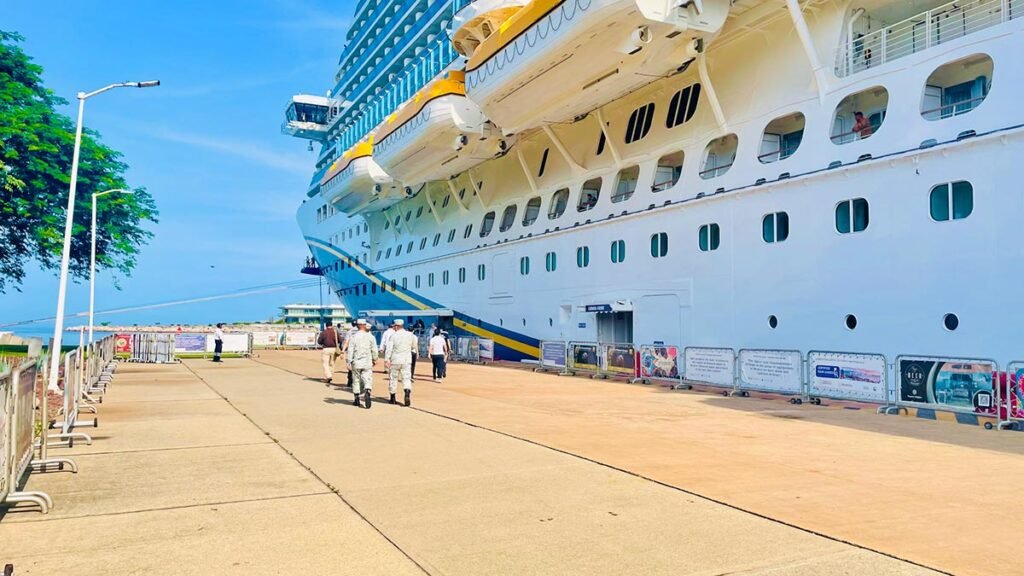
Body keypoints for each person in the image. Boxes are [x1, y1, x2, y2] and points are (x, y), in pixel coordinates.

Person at [345, 319, 379, 408]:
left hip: (356, 362)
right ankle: (367, 390)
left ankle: (356, 398)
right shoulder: (371, 337)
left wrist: (348, 361)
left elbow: (350, 350)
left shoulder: (354, 337)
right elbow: (374, 349)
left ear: (357, 326)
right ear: (364, 325)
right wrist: (375, 359)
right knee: (367, 377)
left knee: (356, 379)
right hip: (367, 361)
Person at [385, 319, 418, 406]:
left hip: (395, 360)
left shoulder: (393, 336)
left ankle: (392, 398)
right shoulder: (410, 335)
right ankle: (407, 392)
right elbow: (414, 346)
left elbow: (389, 349)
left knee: (393, 378)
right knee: (406, 378)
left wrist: (387, 359)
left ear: (396, 326)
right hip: (406, 360)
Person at [317, 320, 341, 385]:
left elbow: (319, 341)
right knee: (332, 363)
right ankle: (329, 375)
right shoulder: (335, 332)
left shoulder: (323, 332)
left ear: (326, 326)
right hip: (334, 349)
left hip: (326, 349)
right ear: (332, 325)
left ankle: (328, 376)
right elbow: (340, 340)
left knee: (325, 363)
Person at [344, 322, 360, 388]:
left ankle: (350, 382)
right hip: (360, 351)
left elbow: (346, 342)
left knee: (350, 366)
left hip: (351, 350)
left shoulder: (349, 332)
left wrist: (343, 350)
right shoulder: (361, 332)